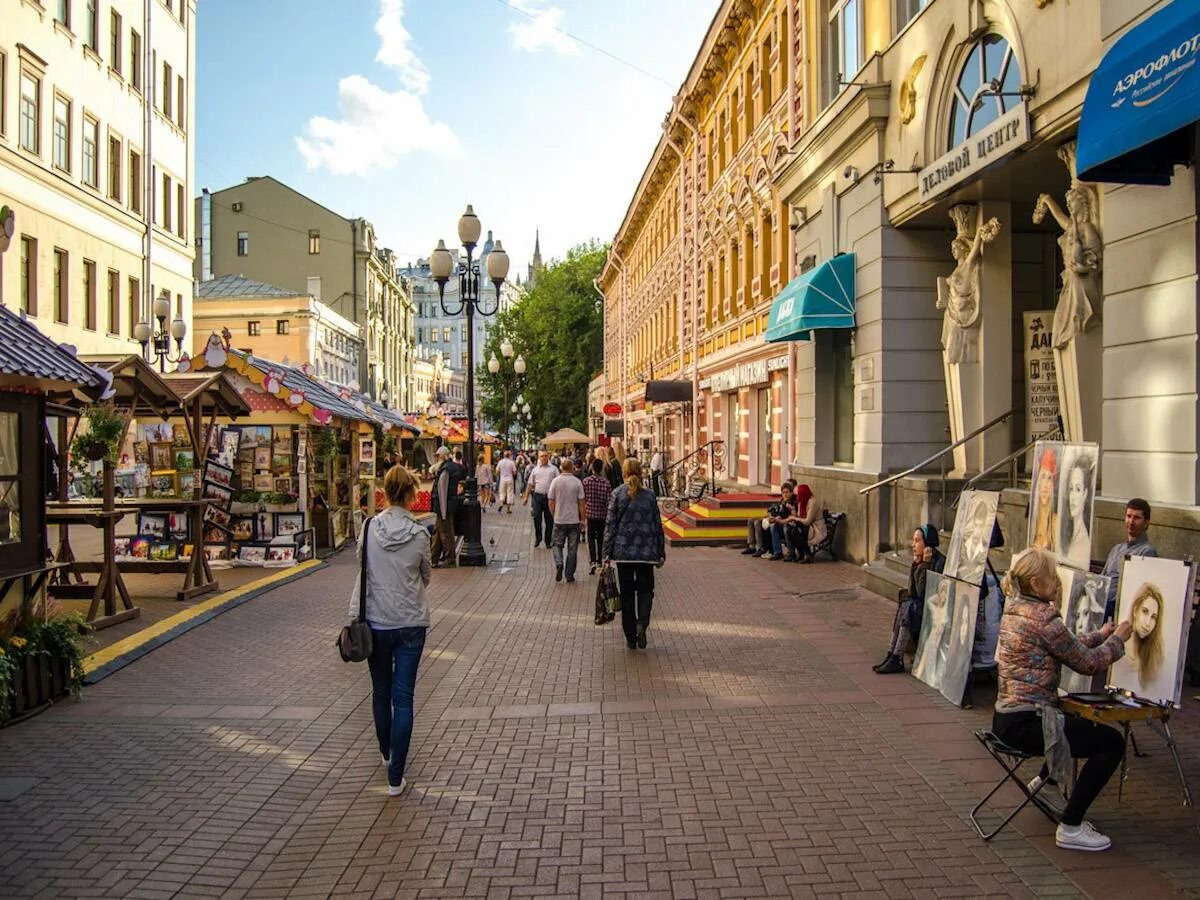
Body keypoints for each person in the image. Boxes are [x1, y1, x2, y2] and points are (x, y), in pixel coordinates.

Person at [991, 547, 1132, 852]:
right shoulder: (1044, 618)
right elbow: (1088, 664)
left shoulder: (1015, 608)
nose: (1057, 581)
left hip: (1006, 720)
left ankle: (1045, 784)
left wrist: (1101, 634)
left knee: (1075, 722)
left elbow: (1066, 645)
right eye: (1051, 577)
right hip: (1029, 724)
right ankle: (1071, 826)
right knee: (1111, 743)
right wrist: (1119, 639)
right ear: (1035, 583)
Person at [348, 464, 430, 797]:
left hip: (377, 621)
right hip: (410, 622)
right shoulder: (420, 533)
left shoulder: (369, 529)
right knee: (404, 698)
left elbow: (360, 563)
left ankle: (386, 754)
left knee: (381, 693)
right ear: (412, 494)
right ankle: (396, 776)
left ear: (383, 493)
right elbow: (425, 575)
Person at [603, 458, 666, 650]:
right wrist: (660, 551)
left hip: (623, 554)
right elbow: (657, 525)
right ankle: (642, 625)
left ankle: (630, 636)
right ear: (640, 472)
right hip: (646, 553)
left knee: (628, 595)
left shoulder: (617, 494)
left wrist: (606, 554)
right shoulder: (649, 496)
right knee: (646, 591)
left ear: (623, 473)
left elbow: (610, 526)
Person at [875, 524, 945, 674]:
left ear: (927, 544)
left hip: (935, 610)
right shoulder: (920, 561)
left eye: (917, 540)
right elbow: (912, 590)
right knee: (905, 604)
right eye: (913, 540)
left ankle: (896, 657)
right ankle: (892, 654)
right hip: (922, 607)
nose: (913, 545)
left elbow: (922, 593)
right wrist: (916, 564)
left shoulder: (938, 562)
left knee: (909, 606)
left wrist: (924, 565)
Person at [1101, 498, 1158, 619]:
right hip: (1102, 602)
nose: (1131, 521)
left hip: (1118, 608)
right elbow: (1102, 578)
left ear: (1146, 522)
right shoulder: (1116, 549)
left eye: (1136, 518)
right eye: (1128, 516)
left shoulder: (1147, 551)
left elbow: (1137, 590)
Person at [548, 458, 587, 583]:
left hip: (559, 519)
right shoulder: (577, 482)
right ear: (572, 468)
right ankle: (569, 574)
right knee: (572, 548)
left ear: (561, 468)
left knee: (556, 544)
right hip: (573, 520)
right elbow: (581, 503)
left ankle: (559, 562)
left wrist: (554, 514)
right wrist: (583, 519)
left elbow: (551, 501)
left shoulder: (555, 481)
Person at [741, 480, 795, 557]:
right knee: (751, 520)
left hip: (781, 524)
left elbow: (786, 516)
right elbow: (776, 511)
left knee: (758, 523)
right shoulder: (782, 501)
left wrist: (775, 517)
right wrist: (771, 514)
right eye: (783, 492)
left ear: (791, 493)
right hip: (775, 519)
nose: (785, 494)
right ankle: (752, 546)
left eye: (787, 492)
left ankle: (761, 548)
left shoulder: (792, 502)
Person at [1125, 582, 1165, 687]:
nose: (1147, 623)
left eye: (1153, 617)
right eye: (1145, 611)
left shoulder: (1153, 653)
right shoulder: (1123, 647)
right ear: (1135, 611)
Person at [1059, 453, 1094, 569]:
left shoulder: (1084, 542)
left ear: (1085, 494)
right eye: (1071, 489)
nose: (1072, 497)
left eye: (1078, 489)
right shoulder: (1067, 532)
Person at [429, 446, 458, 567]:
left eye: (438, 456)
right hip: (445, 507)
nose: (436, 458)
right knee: (438, 532)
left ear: (443, 456)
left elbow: (442, 491)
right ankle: (434, 559)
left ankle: (449, 558)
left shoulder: (445, 470)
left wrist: (443, 511)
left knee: (445, 533)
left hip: (443, 508)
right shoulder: (448, 468)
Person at [582, 458, 612, 575]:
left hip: (590, 514)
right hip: (602, 515)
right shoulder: (606, 483)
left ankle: (592, 562)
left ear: (592, 468)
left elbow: (582, 498)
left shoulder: (586, 482)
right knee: (600, 539)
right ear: (602, 469)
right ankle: (600, 561)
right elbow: (609, 502)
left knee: (590, 539)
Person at [523, 451, 558, 548]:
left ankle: (548, 541)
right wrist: (526, 497)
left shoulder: (554, 469)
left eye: (545, 456)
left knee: (549, 520)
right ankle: (538, 538)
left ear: (548, 457)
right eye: (542, 456)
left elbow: (558, 483)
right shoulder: (535, 470)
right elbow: (530, 484)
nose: (544, 458)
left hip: (549, 497)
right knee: (536, 518)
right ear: (539, 457)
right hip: (537, 496)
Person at [783, 483, 825, 563]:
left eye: (798, 494)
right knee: (789, 530)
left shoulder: (813, 502)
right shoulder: (802, 501)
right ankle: (801, 553)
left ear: (803, 494)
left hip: (816, 529)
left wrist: (794, 518)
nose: (797, 497)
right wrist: (793, 511)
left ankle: (808, 554)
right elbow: (799, 517)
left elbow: (807, 521)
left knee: (795, 531)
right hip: (807, 527)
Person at [1029, 447, 1059, 553]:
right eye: (1042, 477)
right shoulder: (1033, 519)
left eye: (1049, 478)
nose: (1045, 485)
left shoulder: (1055, 522)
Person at [495, 450, 517, 514]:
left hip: (502, 479)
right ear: (509, 455)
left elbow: (497, 472)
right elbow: (515, 472)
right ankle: (508, 509)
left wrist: (500, 473)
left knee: (502, 492)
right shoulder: (511, 462)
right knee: (510, 493)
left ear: (504, 456)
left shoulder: (500, 462)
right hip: (510, 479)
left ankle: (501, 503)